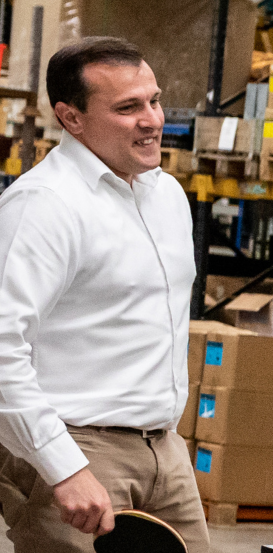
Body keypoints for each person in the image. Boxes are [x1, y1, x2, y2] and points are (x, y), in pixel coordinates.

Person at [0, 37, 209, 552]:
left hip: (165, 449)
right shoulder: (44, 206)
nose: (152, 120)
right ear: (71, 118)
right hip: (78, 449)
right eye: (127, 107)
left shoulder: (167, 195)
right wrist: (63, 467)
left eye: (154, 101)